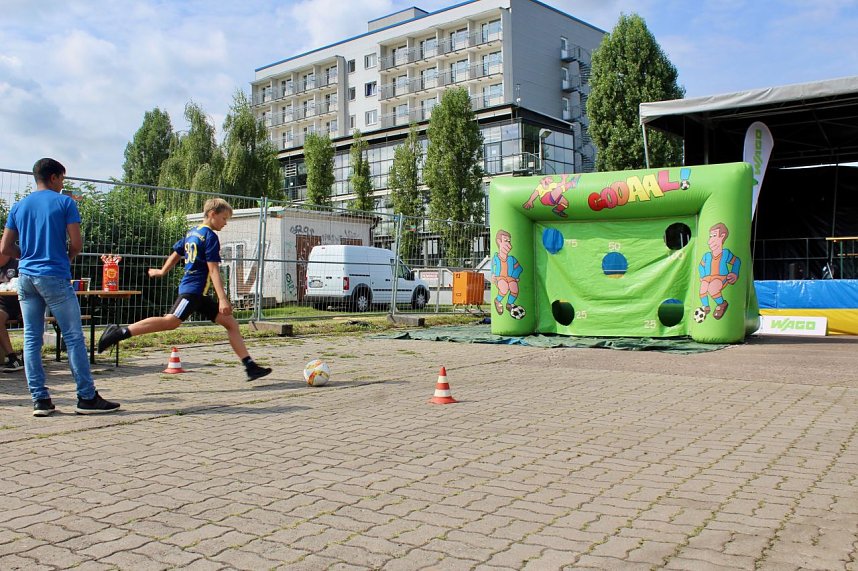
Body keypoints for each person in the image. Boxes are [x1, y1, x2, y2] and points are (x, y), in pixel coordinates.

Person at [97, 198, 272, 381]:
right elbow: (213, 270)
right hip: (192, 291)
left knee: (231, 324)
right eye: (224, 218)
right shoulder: (210, 237)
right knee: (170, 321)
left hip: (199, 295)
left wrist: (162, 271)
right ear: (212, 214)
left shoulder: (192, 232)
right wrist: (222, 298)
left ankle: (250, 366)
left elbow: (176, 253)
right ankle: (119, 332)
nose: (225, 223)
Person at [0, 158, 120, 416]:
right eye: (62, 179)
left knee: (31, 338)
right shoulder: (65, 202)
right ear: (54, 177)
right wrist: (65, 258)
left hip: (26, 278)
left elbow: (4, 248)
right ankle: (86, 397)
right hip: (54, 275)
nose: (62, 184)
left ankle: (40, 400)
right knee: (74, 336)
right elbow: (76, 243)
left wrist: (26, 255)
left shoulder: (19, 206)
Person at [0, 254, 25, 372]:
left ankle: (29, 357)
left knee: (33, 318)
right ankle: (13, 358)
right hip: (3, 305)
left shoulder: (18, 263)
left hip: (22, 303)